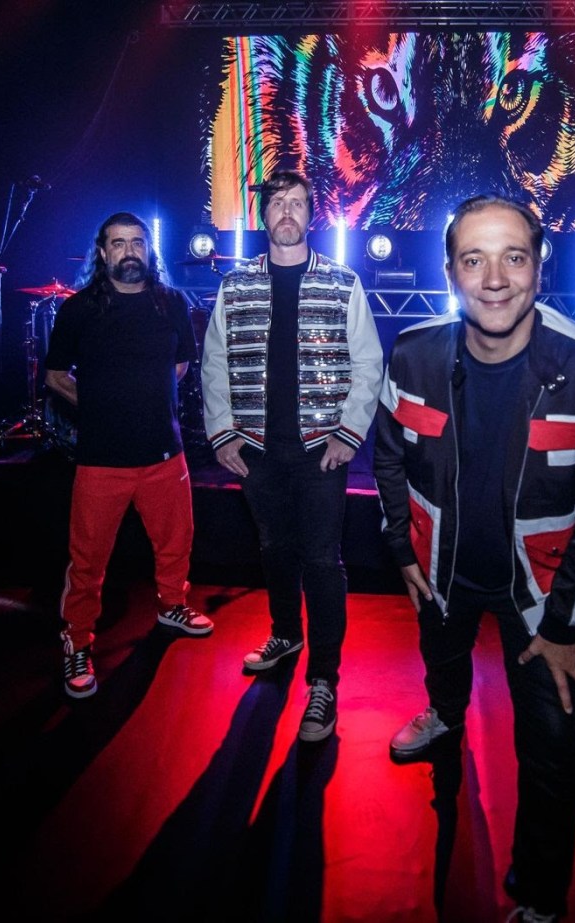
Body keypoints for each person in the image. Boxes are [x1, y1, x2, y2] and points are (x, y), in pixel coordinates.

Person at [374, 194, 575, 921]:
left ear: (540, 267)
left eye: (513, 257)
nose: (494, 279)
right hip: (441, 571)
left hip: (543, 598)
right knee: (442, 661)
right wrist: (402, 547)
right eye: (474, 259)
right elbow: (388, 455)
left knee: (552, 752)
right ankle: (444, 714)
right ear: (450, 272)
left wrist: (565, 625)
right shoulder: (412, 353)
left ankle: (542, 897)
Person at [201, 170, 383, 743]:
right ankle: (286, 634)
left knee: (322, 560)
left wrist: (348, 434)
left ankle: (323, 680)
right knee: (274, 549)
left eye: (297, 203)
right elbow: (214, 363)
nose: (286, 211)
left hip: (320, 451)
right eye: (277, 202)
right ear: (264, 215)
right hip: (257, 451)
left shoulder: (342, 282)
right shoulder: (236, 285)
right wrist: (223, 433)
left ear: (311, 214)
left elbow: (368, 364)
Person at [43, 211, 214, 699]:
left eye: (137, 242)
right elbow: (55, 376)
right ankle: (77, 640)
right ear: (102, 253)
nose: (129, 252)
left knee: (176, 544)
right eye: (118, 244)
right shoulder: (78, 310)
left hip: (164, 453)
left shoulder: (172, 302)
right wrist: (101, 405)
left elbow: (181, 364)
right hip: (101, 459)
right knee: (88, 562)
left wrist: (146, 401)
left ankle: (172, 606)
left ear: (148, 249)